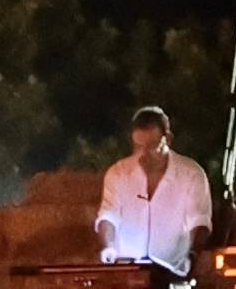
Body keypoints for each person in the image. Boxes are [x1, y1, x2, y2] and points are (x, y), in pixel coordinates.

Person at [90, 104, 212, 278]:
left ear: (168, 139)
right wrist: (108, 248)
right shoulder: (118, 173)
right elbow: (108, 216)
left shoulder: (192, 174)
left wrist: (190, 257)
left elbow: (199, 222)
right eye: (138, 147)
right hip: (128, 275)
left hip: (173, 273)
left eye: (152, 146)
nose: (144, 154)